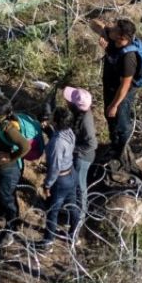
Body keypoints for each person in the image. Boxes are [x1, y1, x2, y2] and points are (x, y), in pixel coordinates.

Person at [94, 18, 142, 176]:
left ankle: (120, 152)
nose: (111, 29)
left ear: (122, 37)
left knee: (120, 124)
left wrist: (115, 105)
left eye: (114, 30)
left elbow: (125, 85)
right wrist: (103, 31)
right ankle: (114, 144)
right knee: (109, 118)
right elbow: (93, 22)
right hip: (110, 88)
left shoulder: (129, 58)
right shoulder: (113, 37)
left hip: (122, 95)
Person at [0, 93, 29, 232]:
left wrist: (10, 156)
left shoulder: (7, 128)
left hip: (6, 171)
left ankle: (13, 226)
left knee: (6, 198)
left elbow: (25, 146)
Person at [40, 105, 78, 248]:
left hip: (60, 180)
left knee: (52, 210)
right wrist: (49, 130)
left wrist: (47, 185)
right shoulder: (69, 132)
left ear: (56, 121)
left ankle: (48, 241)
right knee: (73, 206)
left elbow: (54, 167)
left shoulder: (56, 143)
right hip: (71, 173)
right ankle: (74, 234)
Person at [64, 86, 97, 230]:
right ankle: (73, 213)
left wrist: (74, 149)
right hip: (80, 156)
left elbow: (92, 143)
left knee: (79, 187)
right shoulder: (80, 115)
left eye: (69, 101)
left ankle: (79, 219)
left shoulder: (85, 121)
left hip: (83, 158)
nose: (66, 102)